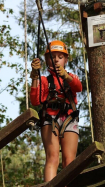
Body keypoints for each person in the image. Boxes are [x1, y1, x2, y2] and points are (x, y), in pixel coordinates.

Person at [30, 40, 82, 182]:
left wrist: (66, 76)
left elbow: (78, 87)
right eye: (52, 57)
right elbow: (35, 101)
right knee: (52, 157)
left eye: (60, 57)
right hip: (50, 119)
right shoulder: (44, 80)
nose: (56, 60)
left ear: (66, 59)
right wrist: (34, 75)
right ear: (47, 60)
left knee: (69, 159)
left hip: (69, 118)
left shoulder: (71, 78)